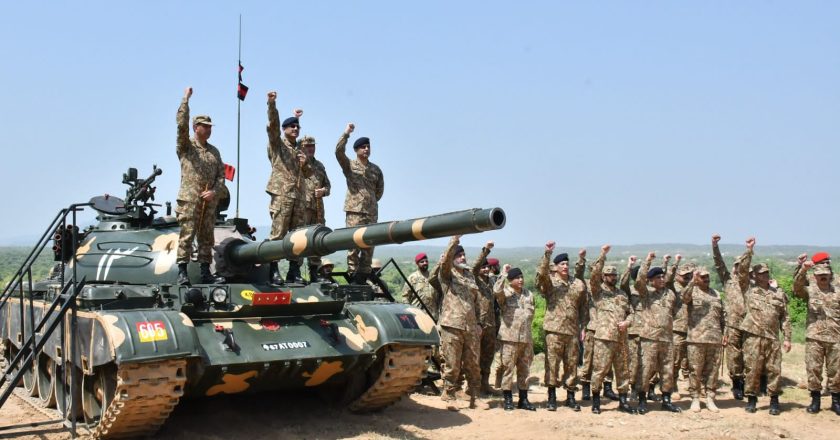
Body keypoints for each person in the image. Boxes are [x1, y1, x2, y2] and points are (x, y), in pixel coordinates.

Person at [175, 87, 226, 285]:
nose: (209, 129)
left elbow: (221, 176)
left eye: (210, 127)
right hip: (190, 199)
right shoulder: (186, 146)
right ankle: (182, 272)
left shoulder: (214, 152)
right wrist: (185, 100)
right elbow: (181, 126)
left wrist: (214, 191)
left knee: (207, 238)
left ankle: (206, 272)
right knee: (187, 235)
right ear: (196, 127)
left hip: (209, 202)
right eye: (205, 126)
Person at [734, 238, 792, 415]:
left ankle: (774, 400)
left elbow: (785, 317)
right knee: (752, 368)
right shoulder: (748, 289)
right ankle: (751, 399)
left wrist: (788, 338)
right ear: (754, 276)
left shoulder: (778, 293)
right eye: (760, 273)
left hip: (772, 338)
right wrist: (749, 250)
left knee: (774, 369)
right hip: (753, 336)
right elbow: (742, 270)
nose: (764, 275)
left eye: (766, 273)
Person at [437, 236, 487, 411]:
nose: (463, 258)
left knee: (473, 364)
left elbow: (477, 302)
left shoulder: (470, 277)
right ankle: (449, 395)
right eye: (459, 256)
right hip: (452, 326)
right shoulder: (447, 275)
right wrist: (453, 243)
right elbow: (444, 264)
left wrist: (479, 323)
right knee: (452, 363)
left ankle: (475, 397)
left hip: (471, 327)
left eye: (464, 255)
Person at [536, 242, 587, 411]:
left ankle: (571, 397)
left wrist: (584, 327)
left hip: (572, 330)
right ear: (556, 267)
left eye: (566, 264)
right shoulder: (550, 283)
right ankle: (551, 397)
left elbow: (583, 308)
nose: (565, 266)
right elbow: (541, 274)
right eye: (561, 264)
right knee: (552, 364)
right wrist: (547, 254)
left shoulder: (578, 284)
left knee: (571, 365)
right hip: (554, 330)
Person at [266, 92, 311, 284]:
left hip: (299, 197)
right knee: (278, 234)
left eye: (297, 126)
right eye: (292, 126)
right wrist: (272, 104)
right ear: (284, 129)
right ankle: (273, 271)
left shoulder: (299, 148)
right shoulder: (277, 145)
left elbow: (308, 174)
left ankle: (294, 271)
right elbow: (273, 126)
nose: (296, 128)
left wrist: (305, 163)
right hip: (282, 195)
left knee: (298, 235)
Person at [588, 245, 636, 414]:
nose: (613, 277)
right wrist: (603, 254)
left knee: (623, 371)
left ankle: (623, 402)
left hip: (621, 340)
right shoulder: (598, 292)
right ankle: (596, 401)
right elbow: (593, 276)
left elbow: (631, 314)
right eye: (609, 275)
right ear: (604, 276)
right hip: (604, 338)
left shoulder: (622, 295)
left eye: (615, 275)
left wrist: (627, 323)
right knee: (600, 370)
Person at [335, 123, 384, 285]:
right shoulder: (349, 166)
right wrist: (346, 133)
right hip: (354, 212)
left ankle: (363, 275)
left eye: (368, 147)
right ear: (356, 150)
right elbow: (338, 152)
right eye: (362, 147)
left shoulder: (375, 170)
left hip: (371, 213)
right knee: (353, 245)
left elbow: (379, 191)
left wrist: (369, 202)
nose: (366, 149)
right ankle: (353, 274)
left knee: (369, 245)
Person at [635, 252, 682, 414]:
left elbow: (674, 311)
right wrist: (648, 260)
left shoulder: (669, 294)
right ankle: (642, 400)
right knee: (646, 369)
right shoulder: (646, 293)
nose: (662, 279)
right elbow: (639, 280)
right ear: (651, 280)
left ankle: (666, 400)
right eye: (658, 278)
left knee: (667, 369)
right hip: (650, 338)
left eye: (663, 277)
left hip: (667, 339)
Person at [794, 260, 840, 415]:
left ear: (830, 275)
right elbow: (797, 287)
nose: (823, 278)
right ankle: (815, 400)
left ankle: (836, 401)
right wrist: (802, 270)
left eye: (826, 275)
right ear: (815, 276)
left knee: (837, 371)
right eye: (820, 275)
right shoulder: (810, 291)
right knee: (814, 369)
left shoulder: (837, 292)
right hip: (815, 337)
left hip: (835, 338)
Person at [712, 234, 752, 400]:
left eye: (741, 266)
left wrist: (749, 250)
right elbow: (719, 263)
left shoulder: (751, 284)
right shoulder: (728, 281)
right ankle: (737, 384)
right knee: (734, 356)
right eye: (736, 266)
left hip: (751, 324)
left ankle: (751, 383)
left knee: (750, 355)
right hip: (733, 325)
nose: (738, 269)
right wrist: (714, 246)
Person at [681, 267, 726, 412]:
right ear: (697, 278)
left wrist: (725, 333)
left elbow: (722, 317)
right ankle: (695, 398)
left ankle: (710, 398)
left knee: (713, 370)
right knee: (695, 370)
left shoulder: (716, 294)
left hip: (714, 338)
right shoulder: (692, 292)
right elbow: (683, 298)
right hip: (696, 338)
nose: (706, 279)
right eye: (703, 277)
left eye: (707, 276)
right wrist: (692, 282)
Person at [494, 264, 537, 411]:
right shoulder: (505, 294)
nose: (520, 280)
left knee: (524, 370)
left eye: (521, 277)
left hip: (526, 339)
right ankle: (507, 399)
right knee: (508, 369)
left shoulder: (529, 294)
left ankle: (523, 400)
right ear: (510, 280)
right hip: (509, 339)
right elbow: (496, 290)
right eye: (517, 278)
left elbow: (531, 314)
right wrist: (503, 274)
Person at [300, 135, 331, 281]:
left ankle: (314, 272)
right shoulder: (297, 163)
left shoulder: (320, 165)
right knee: (300, 238)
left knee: (317, 239)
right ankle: (295, 272)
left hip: (318, 208)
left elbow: (328, 186)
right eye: (307, 146)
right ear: (301, 147)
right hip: (302, 206)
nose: (310, 148)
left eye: (312, 146)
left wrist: (324, 191)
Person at [472, 242, 498, 396]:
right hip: (479, 325)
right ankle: (473, 386)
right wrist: (486, 251)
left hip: (491, 325)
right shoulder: (476, 280)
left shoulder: (491, 283)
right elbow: (474, 268)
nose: (486, 269)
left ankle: (485, 384)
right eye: (483, 267)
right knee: (475, 357)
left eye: (487, 267)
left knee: (488, 356)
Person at [668, 255, 694, 385]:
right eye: (684, 275)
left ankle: (693, 386)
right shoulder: (672, 287)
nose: (687, 277)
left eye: (689, 275)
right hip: (677, 329)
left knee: (692, 360)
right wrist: (675, 263)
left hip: (693, 329)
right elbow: (668, 278)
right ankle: (673, 385)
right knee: (675, 360)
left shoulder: (694, 287)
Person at [401, 252, 440, 319]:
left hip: (433, 316)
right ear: (417, 264)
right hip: (418, 315)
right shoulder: (412, 278)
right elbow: (405, 297)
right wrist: (409, 311)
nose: (425, 263)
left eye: (426, 261)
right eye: (422, 262)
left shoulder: (433, 277)